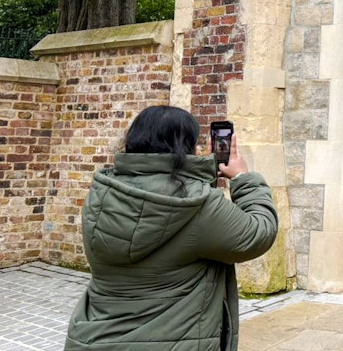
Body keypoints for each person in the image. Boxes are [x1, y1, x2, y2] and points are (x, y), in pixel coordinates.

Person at [65, 105, 278, 351]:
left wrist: (199, 177)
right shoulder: (200, 207)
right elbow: (259, 232)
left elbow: (169, 214)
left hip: (94, 337)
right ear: (183, 147)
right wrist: (242, 179)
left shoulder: (101, 193)